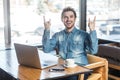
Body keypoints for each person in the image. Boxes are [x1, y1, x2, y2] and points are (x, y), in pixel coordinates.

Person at [42, 7, 98, 80]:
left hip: (80, 70)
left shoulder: (83, 35)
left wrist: (92, 30)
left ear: (75, 19)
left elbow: (94, 51)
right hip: (63, 69)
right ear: (62, 19)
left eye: (71, 17)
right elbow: (46, 49)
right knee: (46, 77)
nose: (68, 20)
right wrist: (47, 29)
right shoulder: (57, 35)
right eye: (66, 17)